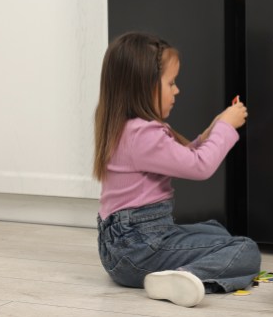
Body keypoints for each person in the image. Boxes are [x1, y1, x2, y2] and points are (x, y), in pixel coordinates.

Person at [93, 31, 260, 307]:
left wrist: (213, 128)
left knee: (216, 231)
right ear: (143, 85)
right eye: (171, 83)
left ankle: (175, 273)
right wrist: (227, 127)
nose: (177, 90)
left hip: (128, 245)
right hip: (138, 250)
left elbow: (184, 155)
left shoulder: (126, 127)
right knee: (245, 249)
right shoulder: (142, 134)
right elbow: (200, 166)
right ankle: (183, 277)